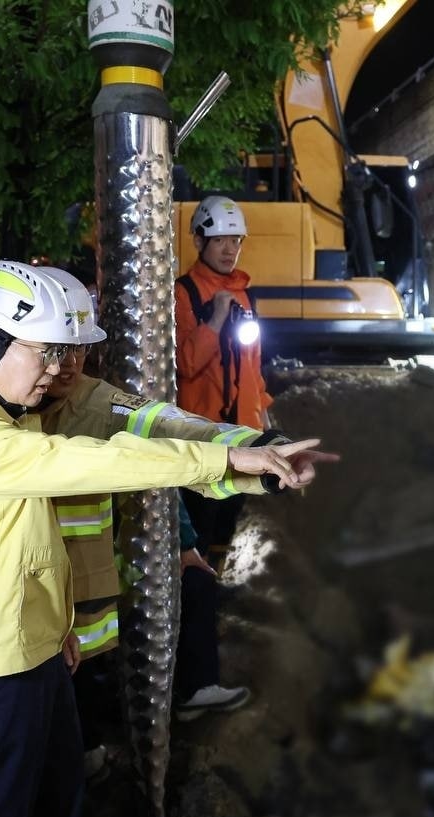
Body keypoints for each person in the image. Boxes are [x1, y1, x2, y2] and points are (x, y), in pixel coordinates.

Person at [0, 261, 331, 817]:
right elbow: (93, 461)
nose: (57, 369)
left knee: (55, 805)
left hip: (31, 649)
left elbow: (147, 428)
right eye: (45, 353)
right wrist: (228, 464)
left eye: (66, 353)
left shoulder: (3, 413)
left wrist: (253, 448)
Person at [34, 267, 305, 778]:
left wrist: (255, 449)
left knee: (81, 710)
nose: (67, 364)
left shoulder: (98, 400)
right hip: (26, 620)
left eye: (77, 349)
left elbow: (168, 428)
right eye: (53, 349)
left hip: (87, 604)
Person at [173, 195, 274, 717]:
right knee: (193, 559)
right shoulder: (186, 295)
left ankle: (203, 638)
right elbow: (188, 366)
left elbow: (252, 367)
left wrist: (262, 421)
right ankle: (191, 675)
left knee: (216, 546)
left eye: (236, 240)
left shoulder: (245, 292)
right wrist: (212, 319)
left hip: (239, 445)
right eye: (221, 240)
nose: (231, 248)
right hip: (200, 451)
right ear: (200, 242)